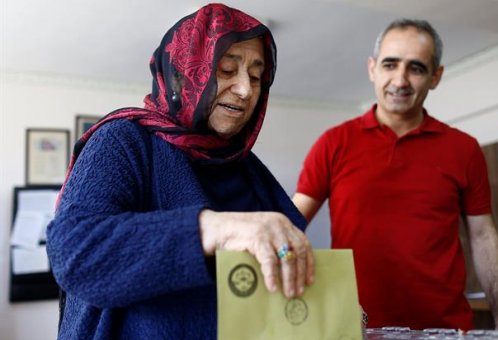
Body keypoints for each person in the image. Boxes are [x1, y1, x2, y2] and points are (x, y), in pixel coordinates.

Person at [46, 4, 314, 339]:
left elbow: (291, 258)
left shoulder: (249, 170)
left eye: (257, 77)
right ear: (181, 75)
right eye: (227, 70)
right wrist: (217, 228)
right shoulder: (125, 141)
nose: (246, 90)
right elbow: (75, 253)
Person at [293, 19, 498, 332]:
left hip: (445, 331)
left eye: (416, 68)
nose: (400, 80)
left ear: (436, 77)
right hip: (357, 331)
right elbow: (290, 225)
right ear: (372, 69)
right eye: (390, 64)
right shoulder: (333, 143)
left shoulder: (463, 149)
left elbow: (483, 237)